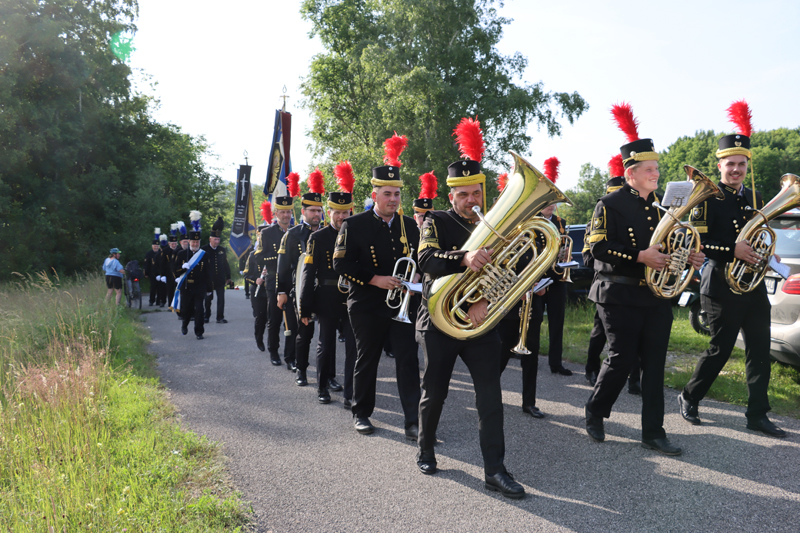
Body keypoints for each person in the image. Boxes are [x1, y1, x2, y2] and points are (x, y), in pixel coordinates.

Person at [584, 103, 704, 456]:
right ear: (631, 173)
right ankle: (595, 410)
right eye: (650, 169)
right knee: (621, 360)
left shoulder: (663, 208)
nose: (656, 174)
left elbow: (670, 247)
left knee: (654, 365)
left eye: (657, 169)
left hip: (654, 297)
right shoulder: (609, 203)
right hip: (618, 294)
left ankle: (653, 432)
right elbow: (597, 248)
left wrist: (688, 257)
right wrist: (639, 256)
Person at [415, 117, 523, 499]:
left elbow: (512, 269)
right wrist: (464, 257)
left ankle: (495, 470)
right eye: (463, 194)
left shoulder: (497, 225)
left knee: (490, 397)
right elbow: (426, 259)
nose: (471, 200)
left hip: (480, 322)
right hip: (440, 321)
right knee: (435, 392)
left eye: (476, 192)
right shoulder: (436, 221)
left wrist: (486, 300)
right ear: (452, 197)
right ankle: (425, 449)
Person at [679, 101, 786, 438]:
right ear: (720, 165)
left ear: (746, 165)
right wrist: (732, 249)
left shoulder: (754, 196)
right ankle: (690, 396)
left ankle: (757, 414)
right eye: (730, 164)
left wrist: (767, 253)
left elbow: (759, 236)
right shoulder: (706, 197)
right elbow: (698, 243)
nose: (736, 170)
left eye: (741, 164)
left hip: (752, 286)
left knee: (760, 350)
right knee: (720, 349)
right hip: (720, 285)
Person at [333, 133, 421, 439]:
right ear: (374, 194)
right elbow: (341, 264)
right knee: (367, 358)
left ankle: (413, 421)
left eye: (396, 194)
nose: (393, 199)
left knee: (408, 360)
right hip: (367, 304)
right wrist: (376, 279)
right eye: (387, 194)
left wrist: (416, 276)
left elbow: (419, 258)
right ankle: (361, 413)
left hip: (402, 305)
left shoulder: (409, 225)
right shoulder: (353, 224)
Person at [583, 160, 641, 393]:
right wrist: (612, 259)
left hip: (632, 284)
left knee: (636, 334)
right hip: (606, 284)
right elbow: (588, 257)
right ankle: (591, 368)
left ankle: (634, 378)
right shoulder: (596, 222)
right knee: (600, 333)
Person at [300, 168, 357, 404]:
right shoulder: (318, 237)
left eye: (345, 212)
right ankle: (322, 387)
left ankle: (350, 394)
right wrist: (304, 306)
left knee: (354, 347)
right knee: (326, 344)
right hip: (326, 296)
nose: (342, 216)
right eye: (337, 212)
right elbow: (308, 273)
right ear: (329, 212)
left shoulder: (358, 234)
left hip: (353, 295)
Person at [277, 187, 324, 386]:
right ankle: (301, 370)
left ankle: (328, 376)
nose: (316, 214)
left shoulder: (327, 232)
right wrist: (281, 291)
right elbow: (283, 266)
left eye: (319, 210)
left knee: (327, 336)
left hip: (325, 291)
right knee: (304, 333)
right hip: (301, 292)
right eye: (312, 210)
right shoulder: (292, 234)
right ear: (303, 211)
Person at [260, 196, 294, 367]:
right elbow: (260, 256)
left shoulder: (297, 231)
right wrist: (282, 258)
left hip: (293, 281)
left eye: (288, 212)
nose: (286, 215)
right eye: (282, 212)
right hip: (274, 280)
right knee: (275, 319)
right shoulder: (267, 233)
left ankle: (291, 355)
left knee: (292, 320)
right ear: (276, 213)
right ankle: (273, 350)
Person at [173, 211, 212, 340]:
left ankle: (199, 332)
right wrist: (182, 269)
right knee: (186, 310)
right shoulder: (181, 254)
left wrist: (209, 289)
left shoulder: (204, 255)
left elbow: (207, 272)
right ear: (189, 242)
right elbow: (175, 270)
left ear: (199, 242)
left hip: (199, 287)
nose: (195, 244)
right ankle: (184, 324)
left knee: (200, 310)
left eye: (197, 242)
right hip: (186, 287)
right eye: (193, 242)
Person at [203, 216, 232, 324]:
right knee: (208, 299)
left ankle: (220, 317)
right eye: (215, 239)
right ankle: (206, 316)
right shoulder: (204, 249)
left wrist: (228, 277)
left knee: (221, 299)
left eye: (218, 239)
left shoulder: (222, 250)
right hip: (208, 279)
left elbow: (225, 264)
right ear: (210, 239)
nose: (217, 241)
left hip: (219, 278)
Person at [144, 229, 161, 306]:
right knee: (153, 287)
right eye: (155, 246)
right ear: (152, 246)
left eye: (157, 246)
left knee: (160, 288)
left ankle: (158, 301)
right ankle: (151, 300)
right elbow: (146, 264)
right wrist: (146, 273)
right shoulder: (149, 254)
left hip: (160, 272)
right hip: (152, 273)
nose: (156, 247)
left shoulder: (161, 253)